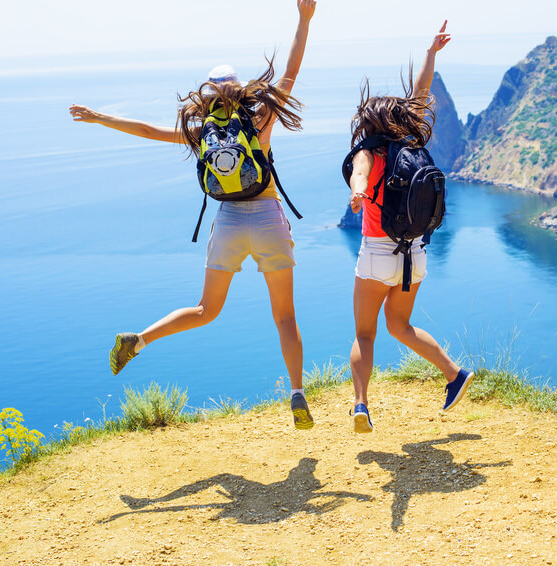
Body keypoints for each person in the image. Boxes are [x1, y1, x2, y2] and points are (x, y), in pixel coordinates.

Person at [68, 0, 317, 430]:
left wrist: (98, 117)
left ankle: (139, 339)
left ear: (208, 95)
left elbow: (147, 130)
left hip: (229, 224)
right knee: (285, 317)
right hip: (268, 218)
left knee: (206, 309)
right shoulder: (259, 120)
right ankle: (296, 393)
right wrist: (304, 19)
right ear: (239, 91)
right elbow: (291, 71)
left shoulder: (201, 132)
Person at [345, 21, 473, 433]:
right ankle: (454, 375)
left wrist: (359, 192)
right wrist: (431, 53)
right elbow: (421, 93)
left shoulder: (370, 151)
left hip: (376, 253)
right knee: (399, 326)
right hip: (414, 255)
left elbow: (360, 174)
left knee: (365, 333)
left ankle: (361, 405)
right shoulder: (411, 144)